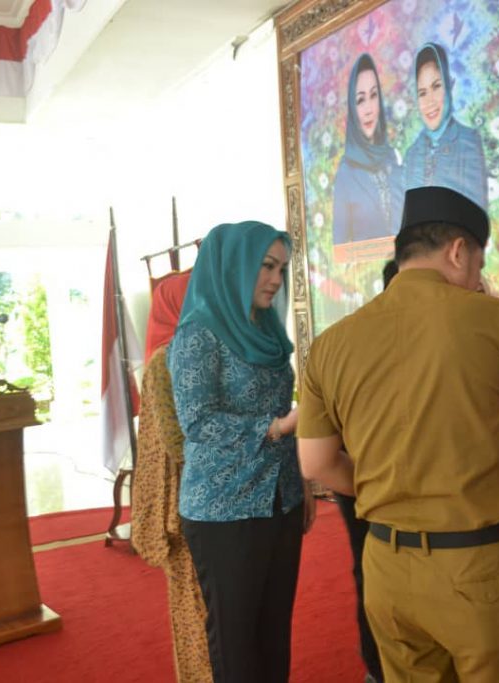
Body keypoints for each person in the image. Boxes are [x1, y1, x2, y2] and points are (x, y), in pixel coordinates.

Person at [297, 185, 499, 682]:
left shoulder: (330, 343)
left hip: (386, 567)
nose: (475, 279)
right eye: (477, 265)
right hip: (477, 567)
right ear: (457, 251)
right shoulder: (493, 317)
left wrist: (389, 480)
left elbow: (316, 463)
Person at [168, 221, 315, 683]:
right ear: (234, 266)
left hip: (281, 500)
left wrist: (302, 481)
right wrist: (276, 428)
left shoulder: (266, 330)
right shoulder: (198, 334)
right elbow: (197, 421)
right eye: (266, 267)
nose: (275, 279)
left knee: (273, 634)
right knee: (236, 644)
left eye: (281, 269)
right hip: (224, 509)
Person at [131, 280, 210, 682]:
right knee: (194, 605)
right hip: (184, 504)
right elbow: (177, 445)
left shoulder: (204, 353)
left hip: (205, 497)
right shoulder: (165, 363)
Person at [328, 259, 399, 683]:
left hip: (368, 481)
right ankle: (377, 668)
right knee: (371, 571)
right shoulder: (357, 342)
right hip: (364, 482)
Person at [402, 43, 488, 210]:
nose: (430, 101)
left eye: (436, 86)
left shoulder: (468, 141)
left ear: (449, 85)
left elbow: (477, 214)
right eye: (422, 93)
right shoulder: (412, 154)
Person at [333, 54, 401, 245]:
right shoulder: (346, 172)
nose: (369, 109)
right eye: (360, 100)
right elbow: (340, 246)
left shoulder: (393, 158)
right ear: (352, 108)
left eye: (373, 95)